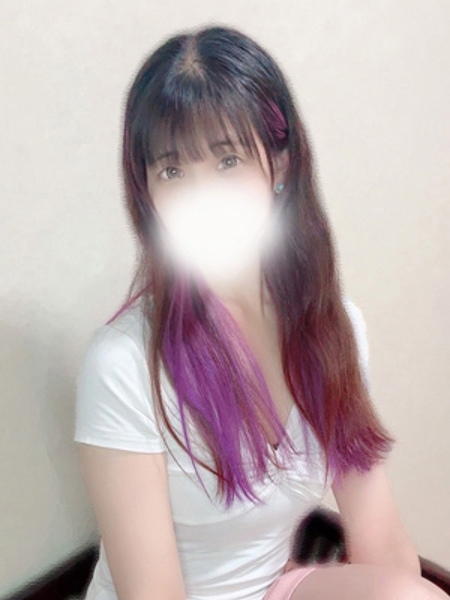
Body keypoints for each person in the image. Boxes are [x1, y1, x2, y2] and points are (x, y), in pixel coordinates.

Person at [74, 24, 448, 600]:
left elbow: (382, 543)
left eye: (227, 160)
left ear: (281, 164)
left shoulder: (333, 329)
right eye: (172, 171)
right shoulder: (122, 364)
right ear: (147, 192)